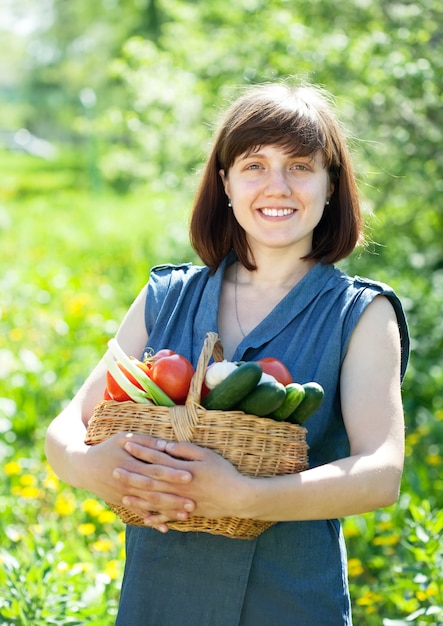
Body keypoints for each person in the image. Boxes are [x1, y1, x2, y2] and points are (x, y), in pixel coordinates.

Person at [45, 81, 409, 625]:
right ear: (226, 183)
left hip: (289, 604)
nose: (277, 186)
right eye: (254, 165)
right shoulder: (166, 297)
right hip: (158, 602)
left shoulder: (359, 313)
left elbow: (381, 473)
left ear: (331, 184)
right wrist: (92, 466)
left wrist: (244, 497)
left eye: (301, 166)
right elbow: (65, 429)